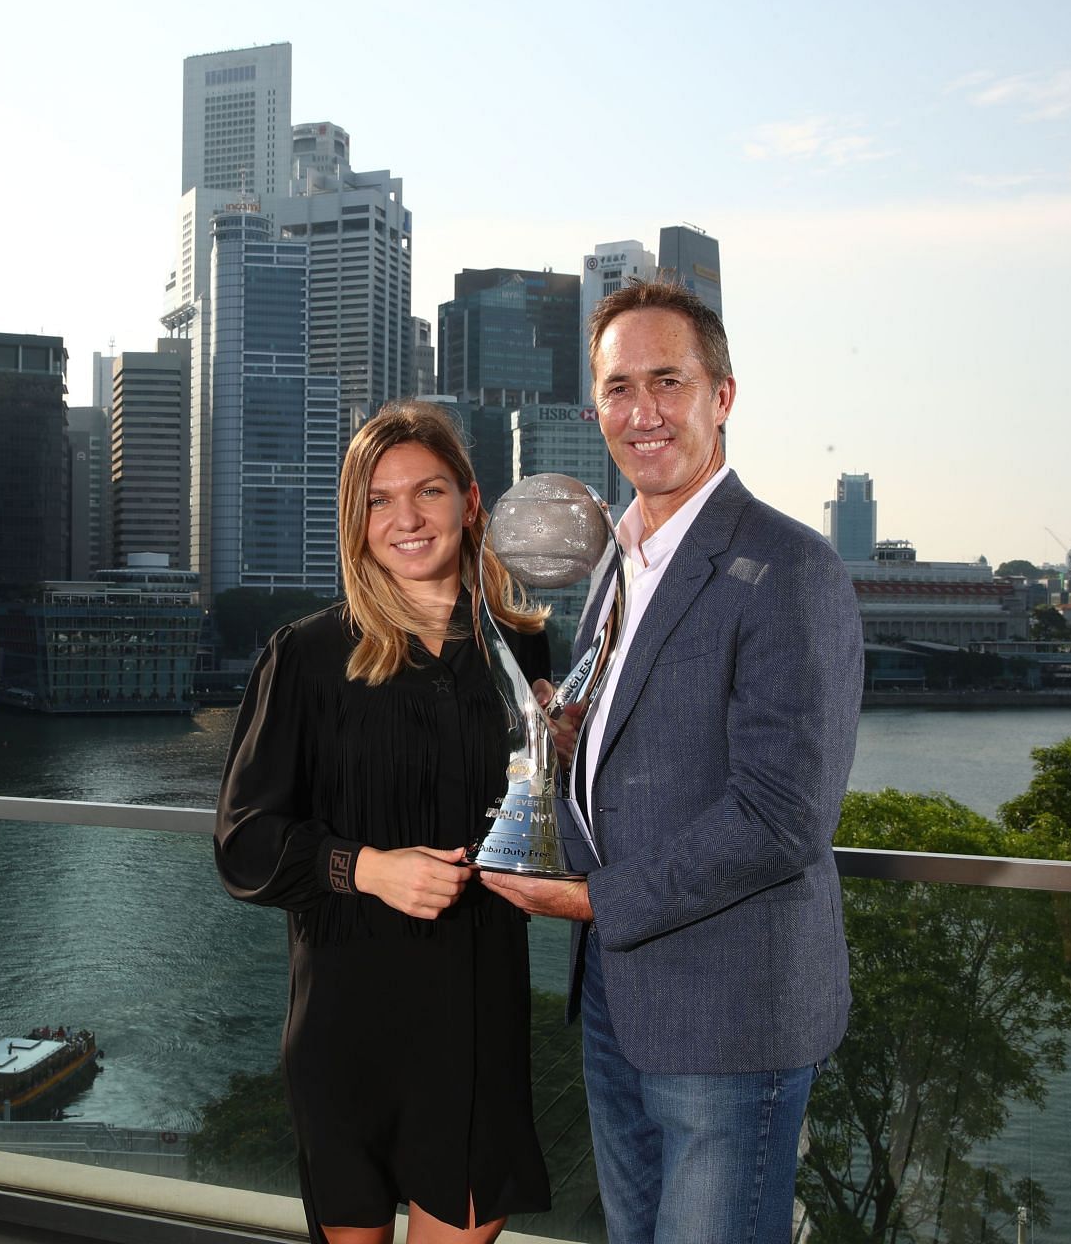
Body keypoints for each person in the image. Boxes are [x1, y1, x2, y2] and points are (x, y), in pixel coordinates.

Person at [483, 279, 862, 1244]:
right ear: (593, 408)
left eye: (669, 382)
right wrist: (569, 735)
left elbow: (782, 816)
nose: (641, 413)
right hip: (618, 992)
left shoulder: (792, 568)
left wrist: (594, 900)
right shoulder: (619, 560)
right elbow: (638, 726)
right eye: (618, 389)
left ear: (722, 395)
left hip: (731, 1015)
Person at [216, 401, 554, 1244]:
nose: (405, 518)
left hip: (478, 1016)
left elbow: (542, 818)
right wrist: (366, 868)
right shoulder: (305, 656)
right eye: (378, 499)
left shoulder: (521, 650)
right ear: (355, 520)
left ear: (470, 502)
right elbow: (242, 842)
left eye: (429, 491)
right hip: (347, 1018)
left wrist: (563, 755)